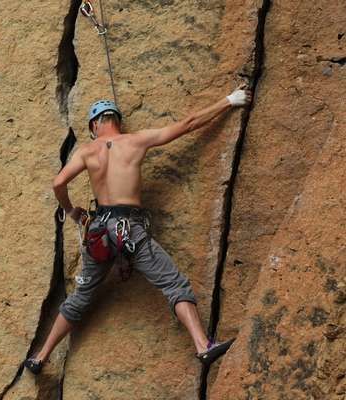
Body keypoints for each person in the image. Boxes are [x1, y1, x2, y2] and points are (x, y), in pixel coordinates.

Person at [23, 88, 252, 374]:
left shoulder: (86, 151)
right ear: (116, 120)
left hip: (98, 232)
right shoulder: (136, 141)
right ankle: (203, 346)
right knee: (173, 284)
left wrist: (70, 210)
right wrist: (229, 100)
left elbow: (58, 183)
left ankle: (40, 356)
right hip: (129, 229)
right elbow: (188, 124)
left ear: (95, 125)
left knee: (81, 296)